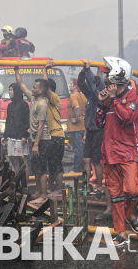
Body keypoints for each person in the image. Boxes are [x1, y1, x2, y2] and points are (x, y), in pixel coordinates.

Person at [96, 57, 138, 247]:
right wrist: (101, 104)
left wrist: (114, 99)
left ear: (117, 76)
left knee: (133, 189)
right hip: (109, 154)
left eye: (107, 75)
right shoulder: (107, 98)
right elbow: (98, 123)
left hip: (127, 152)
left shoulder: (132, 96)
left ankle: (130, 214)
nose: (104, 79)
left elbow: (127, 117)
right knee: (115, 195)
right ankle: (121, 233)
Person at [15, 67, 50, 205]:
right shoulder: (34, 100)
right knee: (35, 167)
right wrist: (16, 70)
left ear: (41, 90)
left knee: (41, 169)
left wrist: (35, 144)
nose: (33, 89)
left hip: (43, 141)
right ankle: (37, 192)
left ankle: (43, 195)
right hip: (35, 140)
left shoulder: (42, 104)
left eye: (35, 87)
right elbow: (21, 85)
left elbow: (41, 125)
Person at [78, 60, 108, 219]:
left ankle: (101, 187)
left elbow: (91, 84)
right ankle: (86, 186)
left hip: (98, 131)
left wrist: (89, 70)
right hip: (90, 131)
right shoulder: (90, 96)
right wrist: (83, 71)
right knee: (86, 159)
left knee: (97, 160)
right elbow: (82, 84)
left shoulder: (100, 96)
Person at [42, 59, 65, 196]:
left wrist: (46, 69)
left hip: (57, 135)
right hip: (51, 136)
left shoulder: (54, 98)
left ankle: (58, 190)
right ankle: (50, 189)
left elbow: (46, 87)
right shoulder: (46, 101)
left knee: (56, 164)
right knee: (50, 164)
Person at [68, 80, 87, 174]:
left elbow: (76, 107)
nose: (69, 85)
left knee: (78, 149)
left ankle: (76, 169)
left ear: (75, 86)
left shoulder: (73, 96)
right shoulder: (83, 97)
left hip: (76, 128)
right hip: (82, 127)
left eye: (71, 84)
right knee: (81, 148)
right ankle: (81, 167)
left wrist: (76, 119)